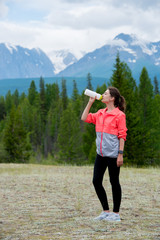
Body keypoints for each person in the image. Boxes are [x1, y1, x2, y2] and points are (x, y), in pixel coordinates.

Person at [81, 87, 127, 222]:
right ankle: (106, 211)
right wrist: (90, 102)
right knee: (96, 181)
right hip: (100, 154)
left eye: (105, 94)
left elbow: (122, 135)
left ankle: (116, 214)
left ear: (112, 98)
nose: (102, 95)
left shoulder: (119, 115)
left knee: (114, 182)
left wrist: (120, 154)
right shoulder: (100, 113)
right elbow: (84, 118)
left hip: (113, 155)